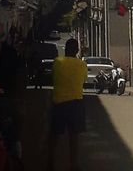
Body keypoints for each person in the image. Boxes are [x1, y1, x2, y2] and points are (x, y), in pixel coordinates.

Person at [47, 37, 87, 171]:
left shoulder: (57, 62)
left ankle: (50, 163)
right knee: (73, 137)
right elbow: (83, 80)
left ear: (65, 49)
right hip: (76, 102)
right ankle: (73, 165)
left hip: (59, 102)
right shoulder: (82, 64)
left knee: (54, 136)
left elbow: (53, 77)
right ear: (76, 50)